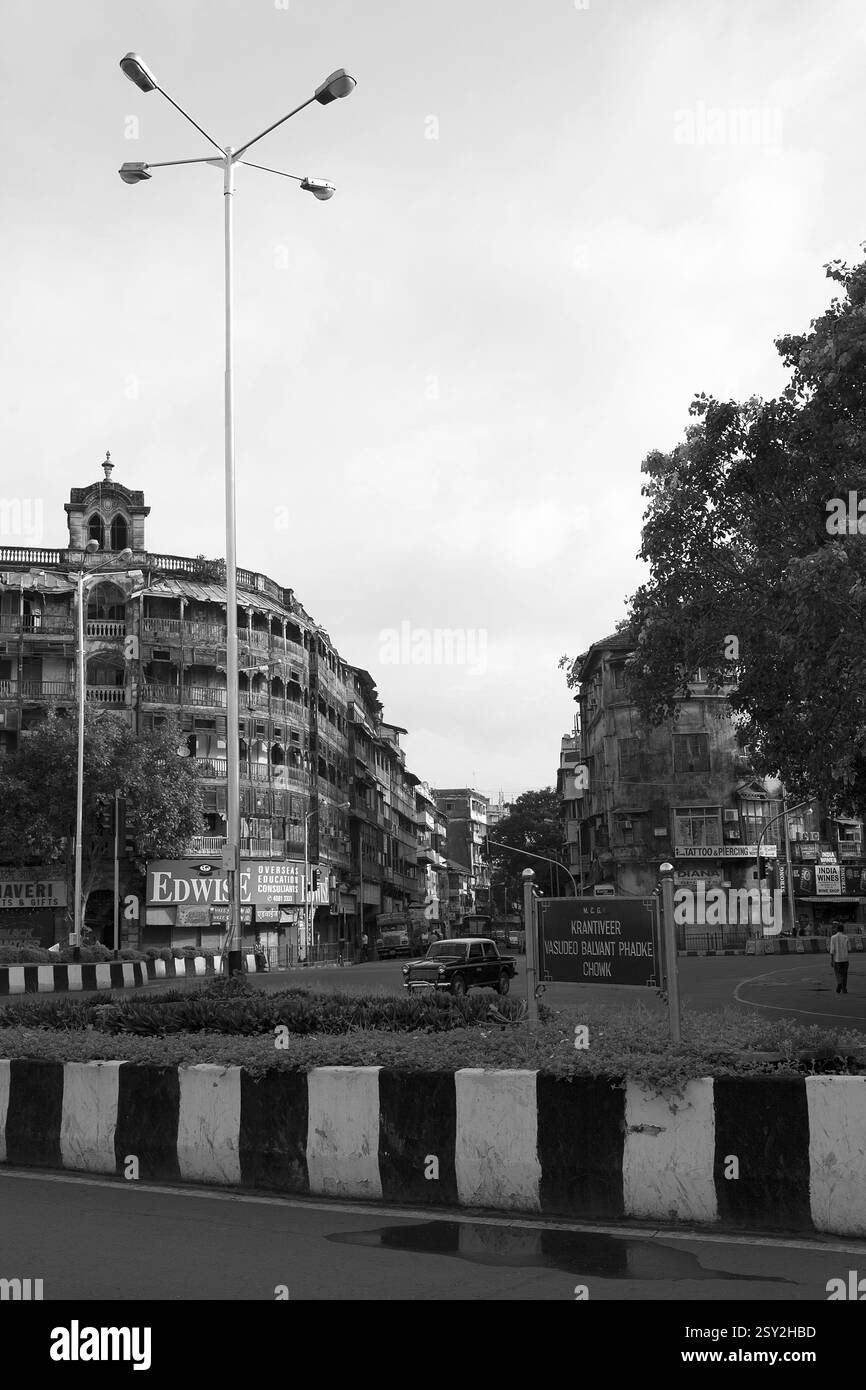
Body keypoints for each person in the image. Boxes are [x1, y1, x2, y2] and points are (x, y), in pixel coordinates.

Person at [829, 925, 850, 994]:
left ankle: (839, 982)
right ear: (843, 930)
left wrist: (832, 960)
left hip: (837, 959)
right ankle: (844, 988)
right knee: (844, 974)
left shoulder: (833, 937)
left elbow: (832, 950)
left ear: (836, 930)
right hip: (845, 959)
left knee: (837, 973)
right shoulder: (846, 937)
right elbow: (849, 949)